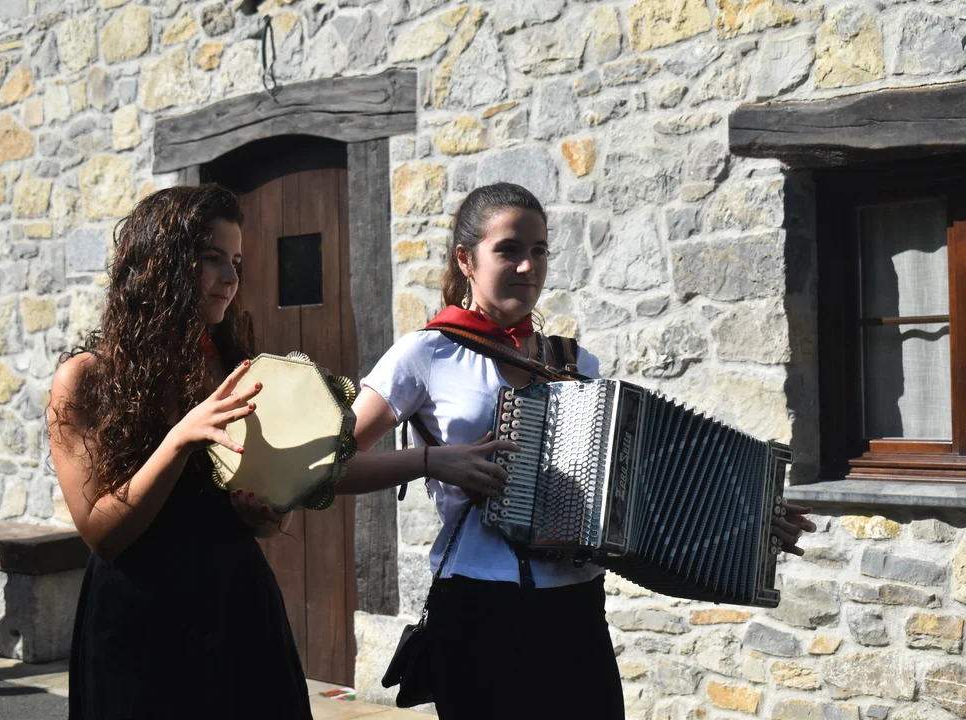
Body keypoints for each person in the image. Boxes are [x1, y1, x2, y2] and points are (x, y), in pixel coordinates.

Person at [337, 183, 815, 718]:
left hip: (576, 610)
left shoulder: (575, 363)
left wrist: (753, 520)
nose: (528, 266)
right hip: (478, 608)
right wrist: (431, 461)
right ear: (465, 260)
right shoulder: (426, 353)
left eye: (539, 250)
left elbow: (645, 484)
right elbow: (329, 465)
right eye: (508, 250)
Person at [48, 184, 312, 719]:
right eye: (212, 258)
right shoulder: (85, 379)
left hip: (237, 613)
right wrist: (180, 437)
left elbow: (259, 500)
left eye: (236, 261)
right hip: (140, 631)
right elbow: (101, 532)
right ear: (159, 264)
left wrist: (266, 512)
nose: (231, 278)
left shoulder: (234, 366)